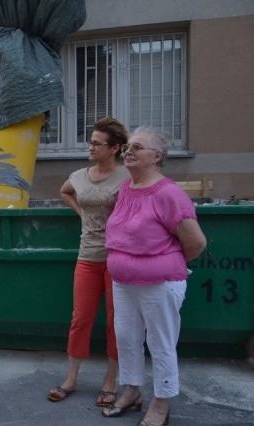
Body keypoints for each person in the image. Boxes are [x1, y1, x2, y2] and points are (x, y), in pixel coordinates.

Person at [101, 126, 206, 425]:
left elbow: (196, 243)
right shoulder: (126, 188)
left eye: (138, 147)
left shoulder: (169, 193)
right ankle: (132, 390)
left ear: (157, 157)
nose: (128, 151)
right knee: (127, 338)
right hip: (123, 282)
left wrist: (163, 263)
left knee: (160, 343)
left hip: (159, 284)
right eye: (128, 146)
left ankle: (161, 402)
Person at [48, 117, 130, 406]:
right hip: (87, 256)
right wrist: (81, 212)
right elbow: (64, 191)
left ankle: (111, 380)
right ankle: (71, 378)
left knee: (115, 322)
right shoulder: (80, 175)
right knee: (80, 318)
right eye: (91, 142)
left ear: (115, 148)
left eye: (97, 143)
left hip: (118, 260)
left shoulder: (127, 177)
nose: (91, 147)